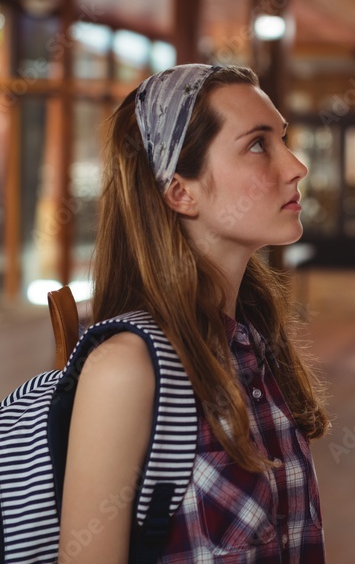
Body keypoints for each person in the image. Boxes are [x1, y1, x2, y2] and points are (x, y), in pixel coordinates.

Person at [58, 64, 330, 562]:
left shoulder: (253, 341)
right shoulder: (128, 369)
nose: (296, 166)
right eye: (257, 144)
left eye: (283, 139)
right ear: (181, 191)